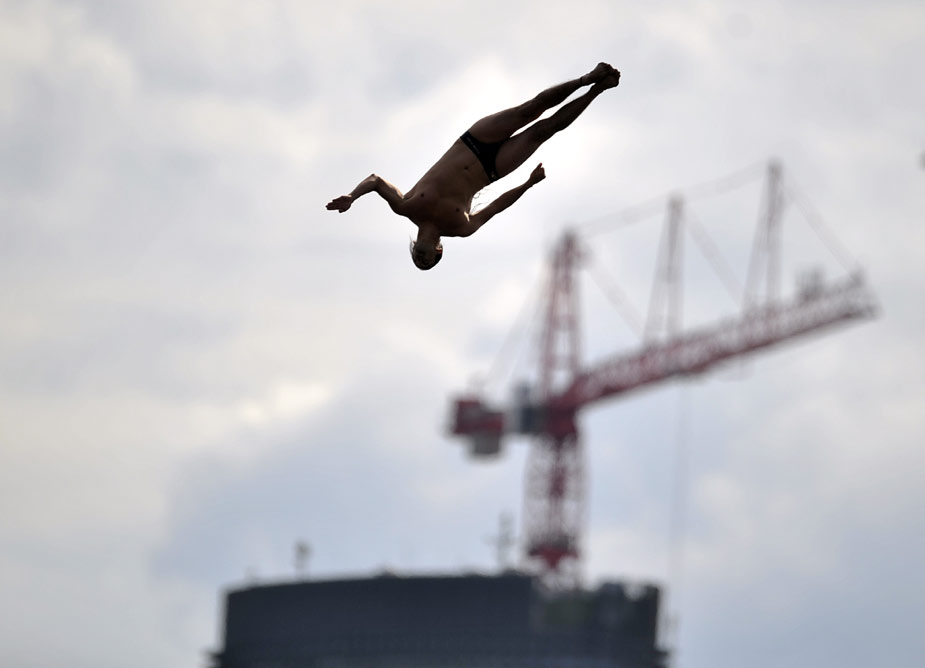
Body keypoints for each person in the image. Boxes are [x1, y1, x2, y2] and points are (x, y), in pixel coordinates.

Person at [326, 62, 621, 270]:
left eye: (417, 260)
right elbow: (497, 207)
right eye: (428, 263)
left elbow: (376, 181)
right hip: (492, 169)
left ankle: (587, 79)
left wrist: (352, 196)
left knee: (529, 110)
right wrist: (528, 184)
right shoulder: (460, 228)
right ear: (438, 251)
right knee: (544, 131)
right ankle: (597, 90)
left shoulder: (406, 207)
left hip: (473, 142)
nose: (422, 260)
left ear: (414, 247)